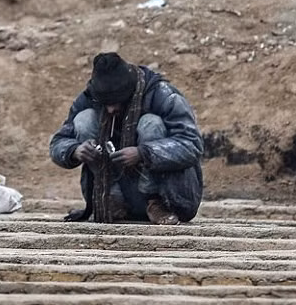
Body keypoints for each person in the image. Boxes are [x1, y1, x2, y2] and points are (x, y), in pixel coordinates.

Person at [49, 52, 204, 224]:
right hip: (117, 195)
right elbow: (58, 143)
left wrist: (144, 153)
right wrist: (75, 151)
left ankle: (155, 202)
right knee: (84, 119)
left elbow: (192, 145)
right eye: (105, 103)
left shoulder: (163, 95)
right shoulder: (90, 97)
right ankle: (112, 201)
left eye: (115, 102)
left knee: (150, 123)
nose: (109, 110)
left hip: (169, 198)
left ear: (129, 94)